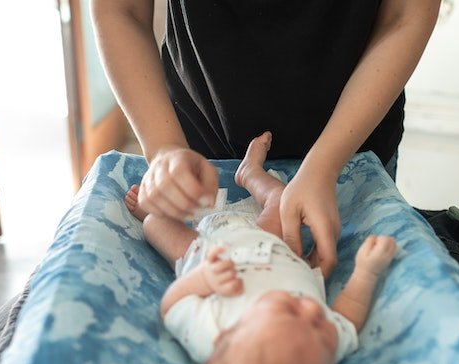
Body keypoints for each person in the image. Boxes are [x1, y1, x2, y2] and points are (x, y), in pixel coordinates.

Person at [92, 0, 436, 279]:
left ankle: (240, 179)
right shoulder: (316, 324)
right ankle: (248, 175)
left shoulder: (204, 314)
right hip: (203, 147)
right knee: (271, 214)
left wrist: (325, 166)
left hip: (351, 147)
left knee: (179, 242)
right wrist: (165, 149)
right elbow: (120, 10)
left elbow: (405, 15)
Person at [125, 135, 397, 364]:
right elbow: (348, 318)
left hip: (207, 251)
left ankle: (149, 213)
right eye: (319, 322)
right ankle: (251, 173)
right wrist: (367, 271)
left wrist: (204, 280)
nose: (313, 308)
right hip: (276, 245)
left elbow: (172, 305)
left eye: (289, 309)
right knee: (282, 198)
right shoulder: (321, 347)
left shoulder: (213, 334)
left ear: (234, 337)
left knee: (158, 227)